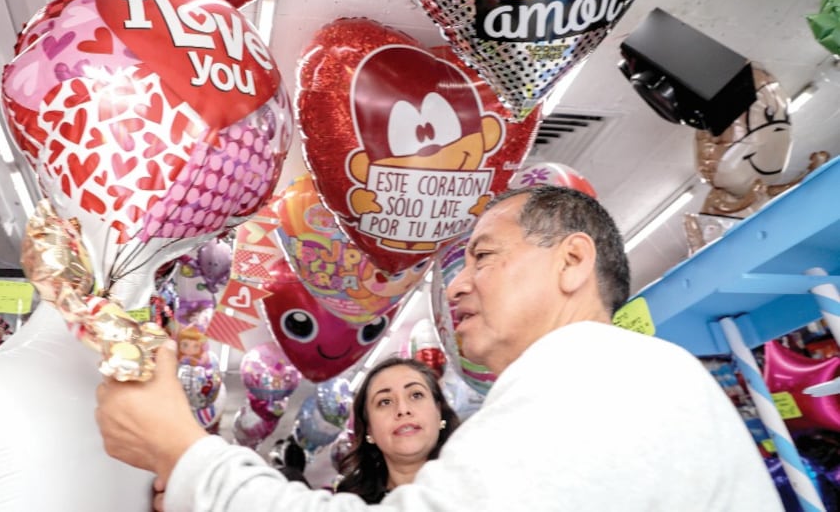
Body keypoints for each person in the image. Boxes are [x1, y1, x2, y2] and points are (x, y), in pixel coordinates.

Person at [95, 185, 784, 511]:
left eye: (482, 256)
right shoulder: (605, 382)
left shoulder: (603, 379)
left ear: (573, 261)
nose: (456, 288)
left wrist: (182, 453)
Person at [334, 357, 460, 502]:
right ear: (369, 430)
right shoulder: (351, 505)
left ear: (439, 412)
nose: (403, 409)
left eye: (416, 395)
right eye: (385, 402)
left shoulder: (478, 486)